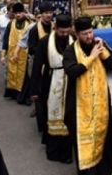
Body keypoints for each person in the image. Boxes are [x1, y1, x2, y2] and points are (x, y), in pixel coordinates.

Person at [63, 16, 112, 174]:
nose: (89, 37)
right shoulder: (70, 50)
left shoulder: (97, 45)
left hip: (101, 105)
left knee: (105, 140)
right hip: (79, 107)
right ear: (77, 35)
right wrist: (91, 57)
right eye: (85, 34)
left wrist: (103, 51)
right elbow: (72, 71)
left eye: (90, 32)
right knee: (83, 142)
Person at [30, 14, 74, 163]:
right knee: (52, 115)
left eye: (67, 31)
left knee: (68, 115)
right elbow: (37, 66)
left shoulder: (73, 40)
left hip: (70, 83)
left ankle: (67, 153)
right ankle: (54, 151)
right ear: (55, 28)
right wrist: (34, 90)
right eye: (62, 32)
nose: (65, 35)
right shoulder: (44, 42)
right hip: (51, 81)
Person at [1, 2, 32, 101]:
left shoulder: (29, 24)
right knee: (12, 73)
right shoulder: (11, 24)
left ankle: (22, 96)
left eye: (20, 12)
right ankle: (12, 93)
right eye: (16, 13)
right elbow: (5, 40)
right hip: (12, 54)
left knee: (24, 76)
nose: (18, 15)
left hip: (25, 55)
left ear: (24, 12)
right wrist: (3, 55)